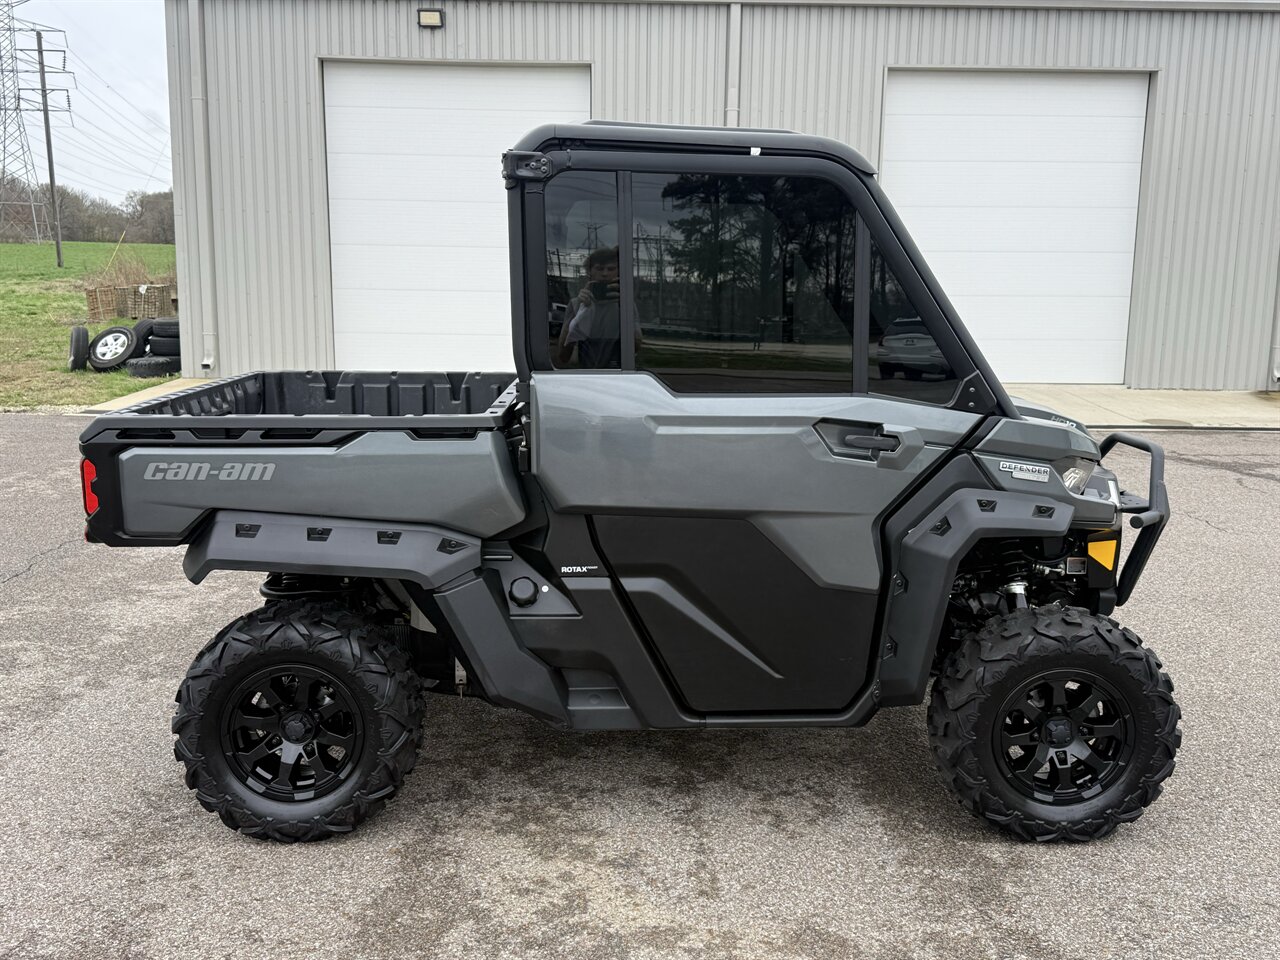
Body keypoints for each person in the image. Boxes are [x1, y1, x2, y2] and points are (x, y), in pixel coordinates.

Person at [557, 246, 622, 368]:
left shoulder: (625, 304)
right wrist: (580, 311)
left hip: (617, 372)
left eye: (611, 269)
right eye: (599, 268)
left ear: (618, 272)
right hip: (586, 373)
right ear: (589, 273)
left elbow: (636, 345)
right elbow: (563, 356)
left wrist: (622, 304)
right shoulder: (576, 304)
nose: (605, 273)